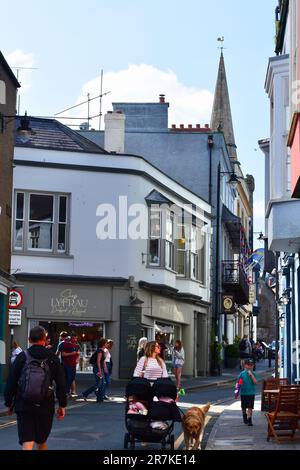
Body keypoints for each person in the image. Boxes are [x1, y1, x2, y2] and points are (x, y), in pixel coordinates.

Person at [4, 326, 67, 450]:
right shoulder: (52, 358)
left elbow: (11, 380)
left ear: (29, 339)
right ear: (45, 339)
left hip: (24, 404)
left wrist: (9, 402)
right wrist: (62, 405)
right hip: (45, 405)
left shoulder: (22, 357)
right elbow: (61, 383)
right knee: (41, 441)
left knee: (27, 440)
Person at [81, 338, 108, 403]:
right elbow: (98, 361)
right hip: (97, 369)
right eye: (106, 343)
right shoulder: (99, 351)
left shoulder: (103, 351)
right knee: (98, 384)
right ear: (104, 344)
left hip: (100, 369)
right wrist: (100, 371)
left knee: (102, 384)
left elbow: (103, 361)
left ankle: (99, 399)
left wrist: (105, 369)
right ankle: (85, 393)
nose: (107, 344)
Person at [235, 358, 258, 426]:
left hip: (251, 393)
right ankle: (244, 416)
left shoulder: (253, 373)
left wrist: (251, 375)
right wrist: (237, 392)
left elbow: (255, 382)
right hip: (244, 393)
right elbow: (238, 383)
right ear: (245, 365)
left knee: (250, 407)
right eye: (248, 365)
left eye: (251, 365)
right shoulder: (242, 374)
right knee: (244, 407)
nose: (250, 366)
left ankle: (249, 419)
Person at [59, 333, 80, 397]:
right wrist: (71, 353)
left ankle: (68, 391)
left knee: (72, 378)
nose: (75, 339)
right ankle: (66, 392)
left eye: (76, 338)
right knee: (68, 378)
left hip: (73, 364)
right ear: (71, 338)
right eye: (74, 338)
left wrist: (77, 359)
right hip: (66, 364)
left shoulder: (77, 346)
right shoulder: (66, 345)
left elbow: (78, 354)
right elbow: (63, 354)